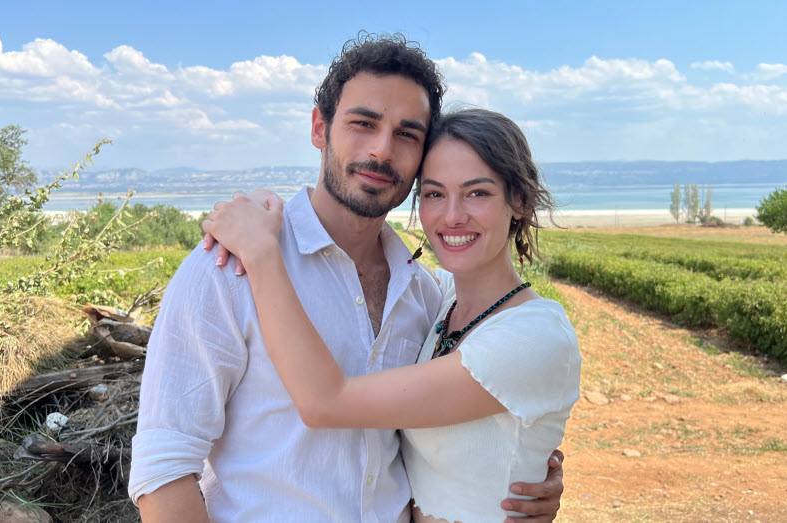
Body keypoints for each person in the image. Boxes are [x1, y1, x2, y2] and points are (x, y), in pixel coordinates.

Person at [129, 33, 566, 522]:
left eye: (407, 134)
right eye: (363, 123)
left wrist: (523, 467)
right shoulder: (229, 266)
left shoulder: (424, 296)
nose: (381, 150)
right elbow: (164, 468)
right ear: (320, 128)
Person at [202, 108, 581, 522]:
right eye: (434, 194)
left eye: (477, 193)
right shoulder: (439, 299)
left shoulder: (535, 335)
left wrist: (262, 253)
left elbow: (326, 402)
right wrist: (264, 206)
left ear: (519, 200)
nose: (452, 215)